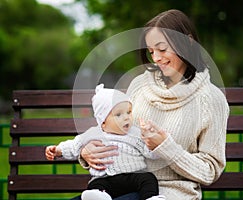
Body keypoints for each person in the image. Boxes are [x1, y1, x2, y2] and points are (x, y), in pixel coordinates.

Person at [76, 9, 229, 200]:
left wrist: (166, 147)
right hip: (123, 185)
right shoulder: (139, 85)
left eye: (162, 49)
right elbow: (116, 132)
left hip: (171, 193)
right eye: (151, 51)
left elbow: (209, 170)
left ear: (188, 41)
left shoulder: (211, 99)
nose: (156, 58)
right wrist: (87, 150)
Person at [45, 84, 165, 200]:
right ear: (103, 121)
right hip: (105, 179)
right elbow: (74, 145)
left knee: (148, 178)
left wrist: (156, 144)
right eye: (118, 114)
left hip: (132, 177)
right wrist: (58, 150)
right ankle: (99, 197)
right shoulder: (93, 134)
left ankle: (150, 198)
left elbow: (150, 152)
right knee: (95, 186)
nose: (126, 117)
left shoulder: (136, 133)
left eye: (128, 112)